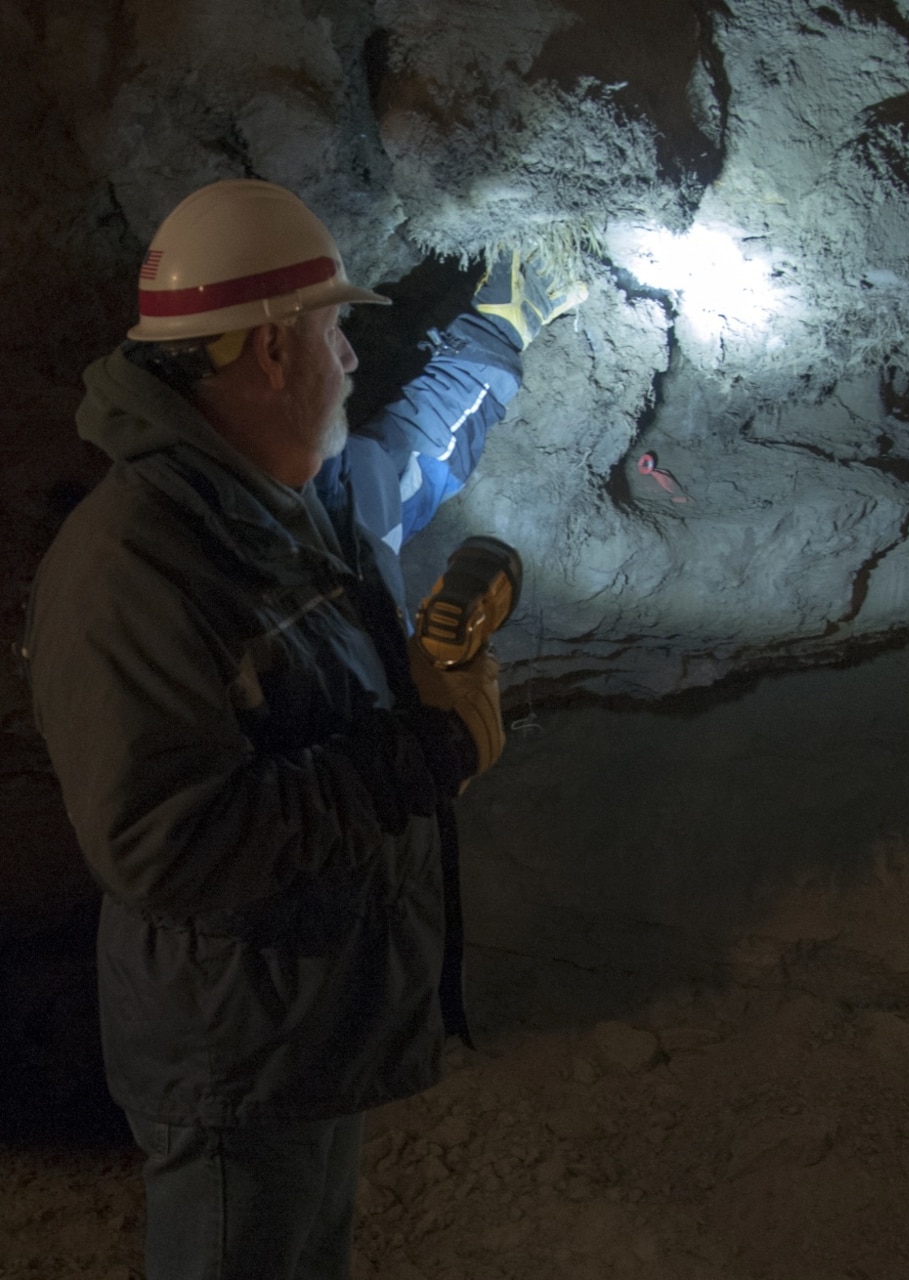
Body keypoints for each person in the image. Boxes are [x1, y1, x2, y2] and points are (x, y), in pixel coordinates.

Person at [21, 177, 584, 1280]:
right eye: (337, 328)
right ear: (272, 351)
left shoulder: (287, 499)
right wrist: (415, 752)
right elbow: (169, 843)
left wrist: (500, 328)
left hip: (308, 1013)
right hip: (234, 1046)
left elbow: (409, 459)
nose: (354, 355)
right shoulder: (134, 568)